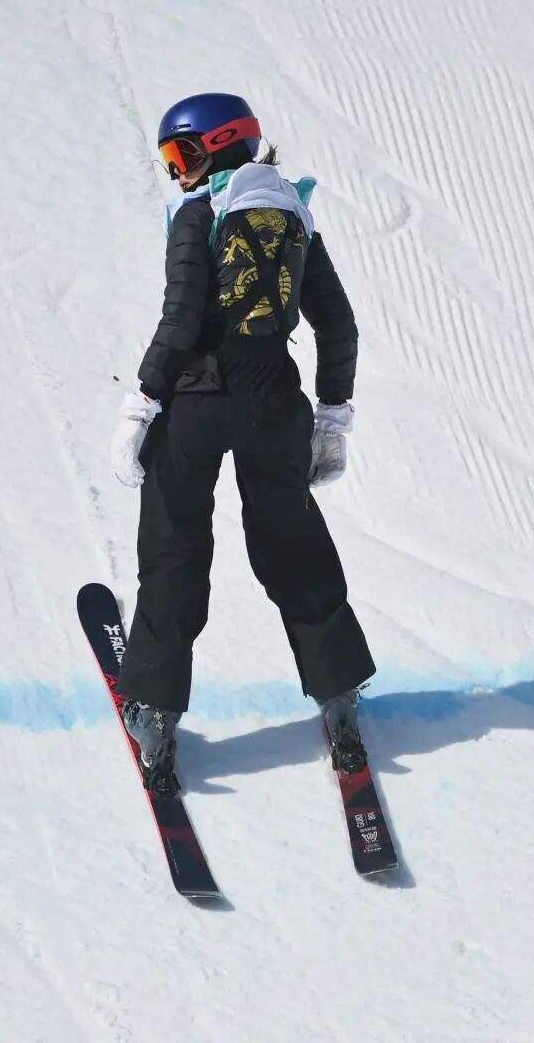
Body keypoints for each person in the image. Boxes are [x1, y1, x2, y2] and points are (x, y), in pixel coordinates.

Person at [110, 92, 375, 792]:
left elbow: (180, 319)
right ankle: (340, 695)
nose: (179, 175)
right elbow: (338, 327)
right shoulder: (295, 214)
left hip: (197, 400)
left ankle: (155, 714)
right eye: (170, 160)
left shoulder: (198, 215)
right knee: (292, 543)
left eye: (185, 155)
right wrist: (332, 417)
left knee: (175, 543)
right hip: (273, 403)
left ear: (223, 146)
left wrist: (141, 403)